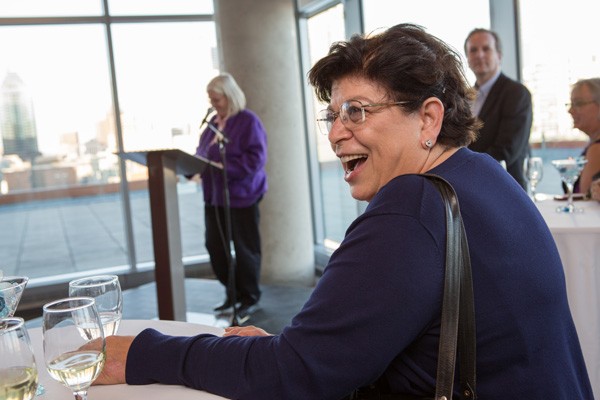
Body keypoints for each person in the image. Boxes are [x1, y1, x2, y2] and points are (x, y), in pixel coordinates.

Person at [94, 24, 592, 399]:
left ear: (429, 117)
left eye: (357, 110)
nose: (335, 133)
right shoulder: (484, 174)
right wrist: (301, 348)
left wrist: (142, 351)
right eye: (333, 115)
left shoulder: (410, 206)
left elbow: (294, 376)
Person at [194, 73, 268, 320]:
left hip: (241, 196)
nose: (213, 104)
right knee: (216, 247)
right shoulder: (212, 124)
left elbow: (256, 158)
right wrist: (193, 167)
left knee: (245, 249)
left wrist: (228, 168)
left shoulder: (248, 121)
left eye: (217, 99)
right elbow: (201, 153)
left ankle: (249, 297)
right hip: (214, 197)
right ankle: (233, 293)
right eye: (211, 99)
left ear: (230, 96)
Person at [464, 28, 533, 190]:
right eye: (473, 50)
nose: (479, 55)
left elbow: (506, 151)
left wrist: (462, 168)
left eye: (486, 49)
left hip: (506, 189)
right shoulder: (464, 98)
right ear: (467, 59)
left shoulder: (516, 93)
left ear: (499, 56)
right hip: (471, 189)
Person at [568, 78, 600, 195]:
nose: (570, 110)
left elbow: (583, 199)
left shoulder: (597, 149)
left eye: (578, 103)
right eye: (571, 104)